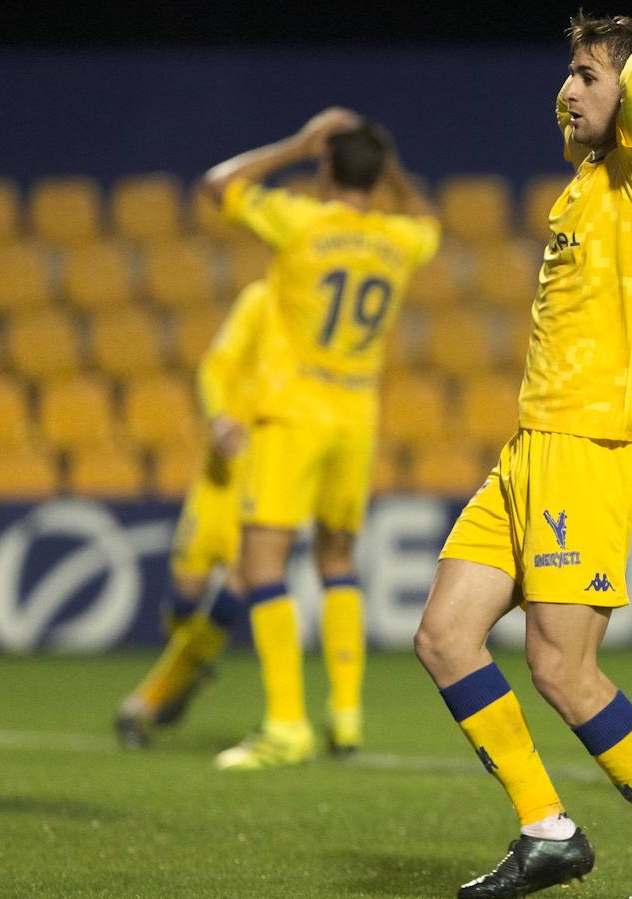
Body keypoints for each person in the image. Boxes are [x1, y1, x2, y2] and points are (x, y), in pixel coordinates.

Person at [411, 15, 632, 899]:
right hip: (530, 447)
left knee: (560, 668)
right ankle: (548, 829)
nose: (569, 90)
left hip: (591, 444)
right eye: (569, 74)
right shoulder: (587, 184)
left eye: (588, 76)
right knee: (443, 637)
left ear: (629, 94)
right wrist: (616, 63)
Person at [201, 108, 441, 770]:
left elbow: (217, 184)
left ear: (325, 168)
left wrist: (293, 145)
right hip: (356, 419)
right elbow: (430, 222)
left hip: (291, 414)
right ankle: (346, 715)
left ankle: (286, 725)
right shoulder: (399, 237)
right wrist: (387, 162)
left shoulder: (302, 221)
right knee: (337, 561)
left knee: (262, 566)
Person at [114, 280, 269, 748]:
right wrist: (220, 418)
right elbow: (211, 369)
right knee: (184, 604)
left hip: (264, 497)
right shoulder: (259, 308)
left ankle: (140, 706)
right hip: (216, 491)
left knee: (227, 605)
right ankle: (186, 671)